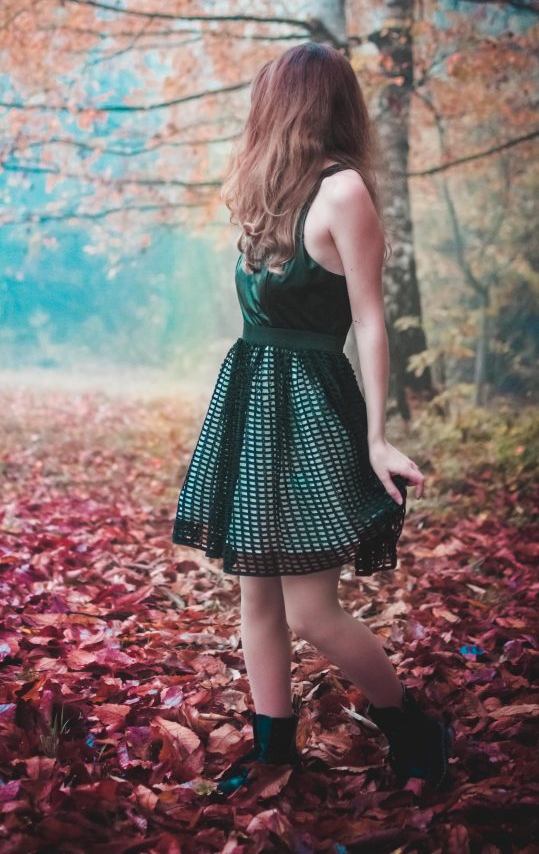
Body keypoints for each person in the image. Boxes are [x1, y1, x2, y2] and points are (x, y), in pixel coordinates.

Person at [171, 43, 455, 796]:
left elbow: (369, 321)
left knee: (310, 610)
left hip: (311, 408)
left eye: (267, 96)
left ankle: (409, 724)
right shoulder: (272, 194)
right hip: (255, 401)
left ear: (293, 103)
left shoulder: (342, 192)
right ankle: (274, 756)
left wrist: (377, 436)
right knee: (256, 596)